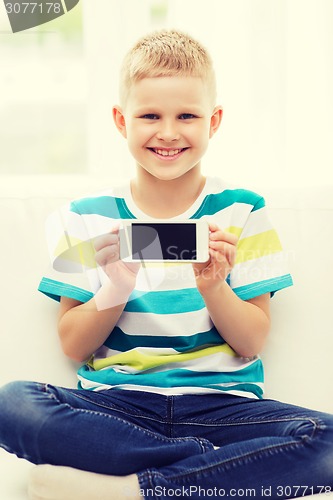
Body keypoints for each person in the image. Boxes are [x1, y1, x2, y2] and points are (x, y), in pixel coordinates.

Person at [0, 29, 332, 500]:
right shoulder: (83, 217)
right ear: (121, 121)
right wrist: (114, 288)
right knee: (13, 404)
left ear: (214, 121)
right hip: (117, 407)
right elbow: (74, 345)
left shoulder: (244, 211)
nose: (169, 132)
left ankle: (140, 487)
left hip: (224, 408)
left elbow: (252, 340)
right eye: (150, 115)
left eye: (187, 116)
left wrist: (215, 286)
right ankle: (214, 468)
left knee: (328, 443)